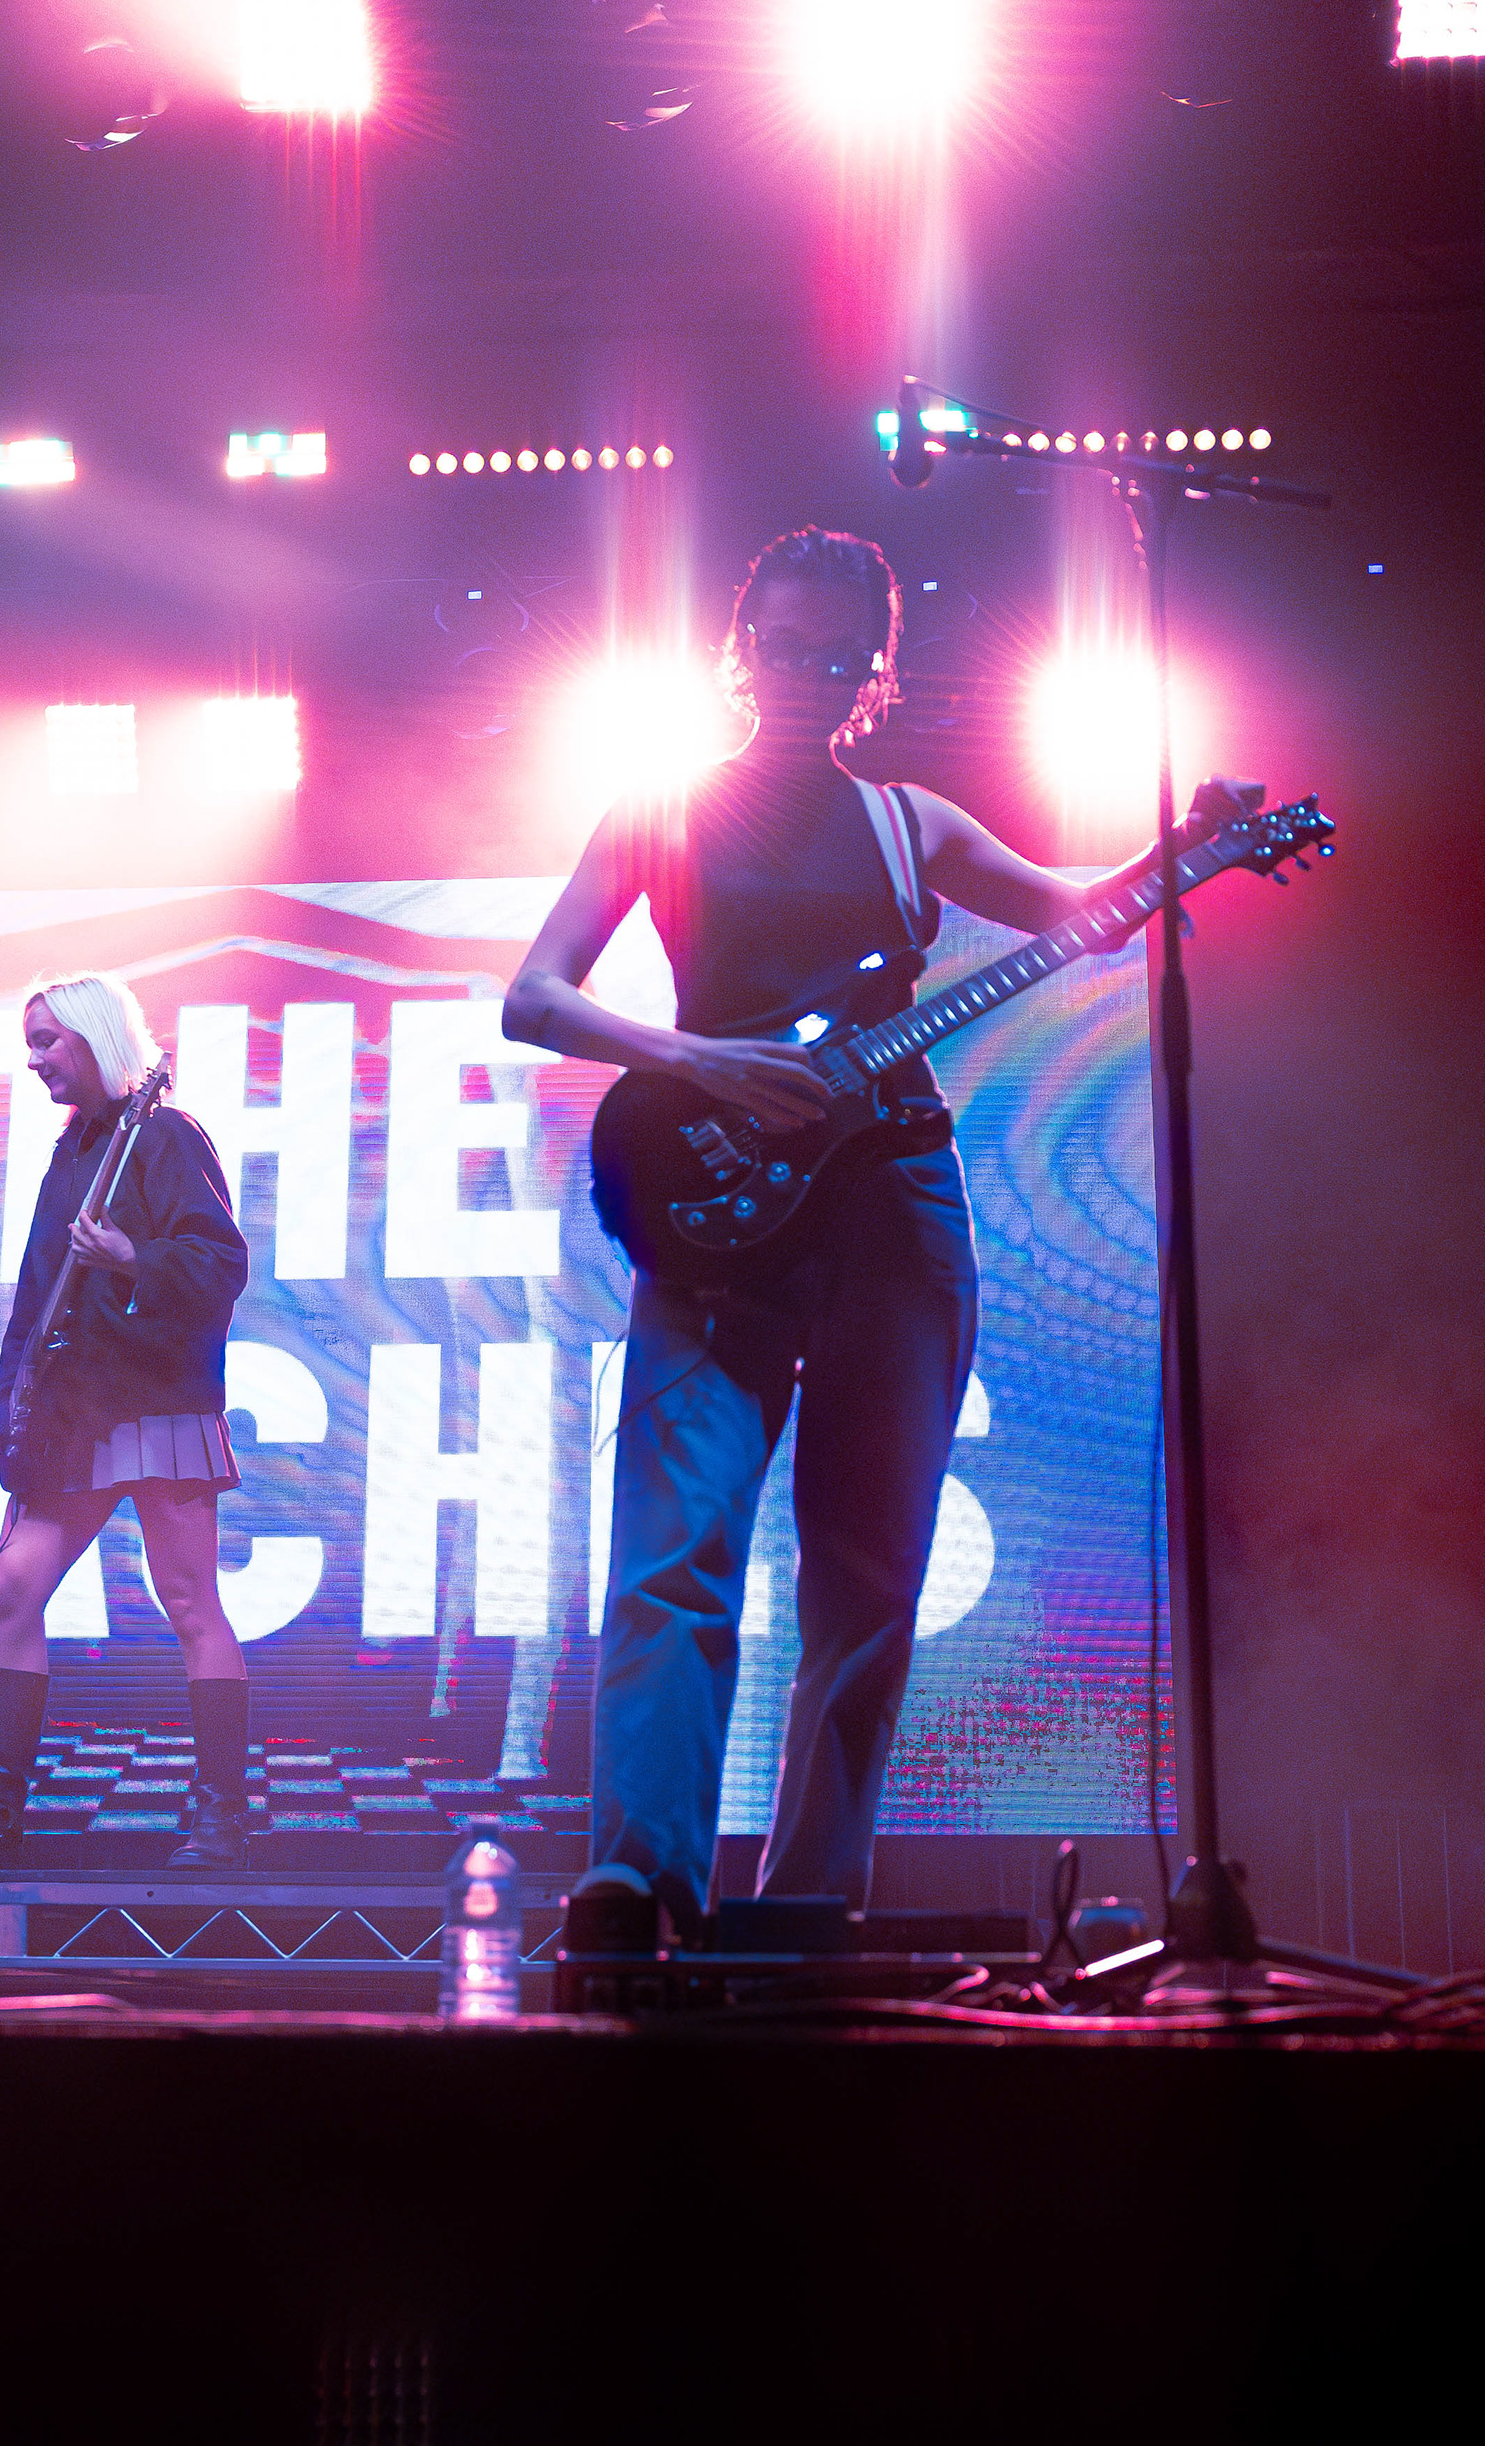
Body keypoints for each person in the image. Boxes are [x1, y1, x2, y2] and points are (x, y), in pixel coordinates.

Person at [504, 524, 1236, 1945]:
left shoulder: (914, 820)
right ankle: (634, 1879)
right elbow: (535, 998)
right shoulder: (658, 806)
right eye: (787, 646)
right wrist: (701, 1063)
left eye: (842, 655)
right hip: (713, 1216)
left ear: (874, 673)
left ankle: (807, 1904)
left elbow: (1087, 919)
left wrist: (1189, 850)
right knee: (672, 1550)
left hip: (896, 1203)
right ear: (740, 647)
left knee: (867, 1570)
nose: (810, 674)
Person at [0, 973, 256, 1866]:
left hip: (155, 1404)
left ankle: (221, 1814)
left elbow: (221, 1265)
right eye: (32, 1041)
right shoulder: (73, 1152)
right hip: (71, 1409)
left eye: (49, 1040)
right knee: (12, 1586)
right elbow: (37, 1293)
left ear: (95, 1038)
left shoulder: (166, 1136)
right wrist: (2, 1404)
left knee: (187, 1600)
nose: (35, 1057)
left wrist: (135, 1258)